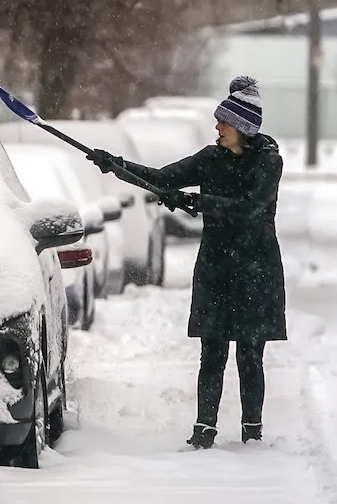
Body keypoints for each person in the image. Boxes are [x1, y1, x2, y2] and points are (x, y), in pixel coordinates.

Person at [87, 75, 286, 450]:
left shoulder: (268, 162)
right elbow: (163, 178)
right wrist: (115, 165)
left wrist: (198, 202)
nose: (217, 127)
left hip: (255, 269)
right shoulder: (210, 158)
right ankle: (204, 430)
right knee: (212, 351)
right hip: (216, 266)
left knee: (249, 353)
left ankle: (252, 432)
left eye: (223, 122)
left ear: (243, 127)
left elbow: (250, 208)